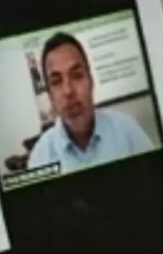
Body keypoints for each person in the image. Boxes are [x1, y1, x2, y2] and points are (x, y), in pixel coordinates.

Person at [24, 32, 155, 172]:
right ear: (50, 95)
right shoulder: (40, 159)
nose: (68, 91)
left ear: (91, 81)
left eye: (77, 75)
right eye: (56, 82)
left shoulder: (128, 132)